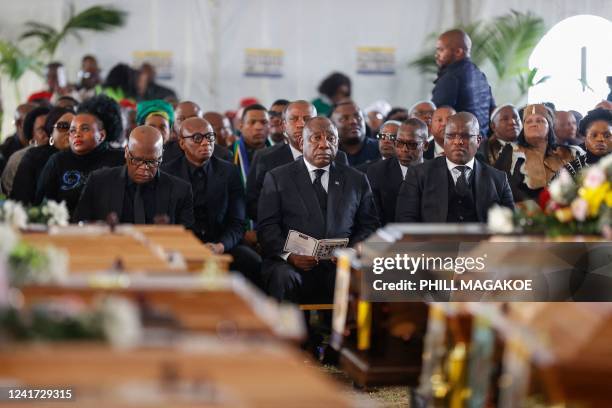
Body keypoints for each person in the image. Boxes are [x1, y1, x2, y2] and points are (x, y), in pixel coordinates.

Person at [257, 117, 379, 303]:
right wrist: (290, 256)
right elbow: (267, 228)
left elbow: (369, 226)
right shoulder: (278, 177)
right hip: (291, 264)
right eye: (316, 138)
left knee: (360, 277)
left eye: (331, 138)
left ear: (338, 143)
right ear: (301, 142)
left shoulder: (356, 180)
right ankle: (292, 332)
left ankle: (344, 332)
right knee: (283, 278)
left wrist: (352, 252)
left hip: (339, 263)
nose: (324, 145)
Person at [162, 117, 262, 285]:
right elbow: (166, 221)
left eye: (210, 137)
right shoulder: (167, 174)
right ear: (182, 144)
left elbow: (237, 222)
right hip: (182, 246)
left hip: (220, 243)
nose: (205, 142)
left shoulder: (229, 172)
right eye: (197, 138)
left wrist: (220, 246)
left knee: (253, 262)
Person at [396, 112, 514, 222]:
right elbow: (405, 220)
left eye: (465, 136)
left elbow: (511, 224)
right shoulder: (418, 175)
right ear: (444, 140)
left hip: (481, 243)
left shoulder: (498, 179)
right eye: (451, 136)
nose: (458, 142)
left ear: (478, 141)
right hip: (433, 243)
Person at [246, 100, 349, 221]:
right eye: (294, 119)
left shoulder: (338, 156)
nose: (301, 124)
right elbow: (253, 204)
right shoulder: (266, 158)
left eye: (307, 119)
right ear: (283, 125)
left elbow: (346, 202)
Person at [74, 126, 193, 227]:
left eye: (152, 162)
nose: (144, 167)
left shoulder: (180, 191)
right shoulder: (99, 182)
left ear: (161, 156)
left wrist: (167, 233)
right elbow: (79, 224)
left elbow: (187, 239)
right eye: (137, 160)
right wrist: (101, 227)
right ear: (126, 152)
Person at [36, 95, 125, 213]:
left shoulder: (119, 159)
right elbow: (41, 205)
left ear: (102, 135)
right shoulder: (58, 161)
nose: (77, 134)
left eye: (85, 129)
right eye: (72, 130)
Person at [495, 104, 583, 202]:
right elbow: (501, 189)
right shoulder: (511, 152)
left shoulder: (568, 153)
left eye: (540, 121)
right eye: (528, 121)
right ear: (523, 129)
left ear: (549, 126)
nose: (533, 124)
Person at [432, 29, 495, 136]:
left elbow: (438, 117)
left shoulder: (451, 77)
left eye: (441, 50)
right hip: (482, 144)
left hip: (460, 143)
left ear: (458, 52)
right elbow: (492, 109)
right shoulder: (480, 75)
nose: (437, 55)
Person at [368, 118, 428, 225]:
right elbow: (374, 217)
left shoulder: (435, 172)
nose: (404, 149)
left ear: (425, 146)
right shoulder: (378, 171)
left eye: (412, 144)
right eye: (399, 143)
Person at [11, 107, 74, 205]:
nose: (70, 132)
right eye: (63, 126)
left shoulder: (85, 156)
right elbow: (20, 201)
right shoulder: (33, 158)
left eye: (75, 127)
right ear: (50, 133)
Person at [1, 106, 50, 195]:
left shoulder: (62, 155)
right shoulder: (15, 158)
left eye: (50, 127)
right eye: (41, 129)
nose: (48, 133)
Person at [231, 103, 271, 187]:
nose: (258, 127)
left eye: (264, 122)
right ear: (241, 126)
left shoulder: (279, 153)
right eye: (252, 122)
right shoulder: (228, 154)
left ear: (269, 126)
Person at [563, 108, 612, 175]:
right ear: (585, 138)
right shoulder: (572, 168)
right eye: (594, 135)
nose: (600, 139)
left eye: (607, 136)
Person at [331, 100, 380, 167]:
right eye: (344, 119)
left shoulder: (380, 149)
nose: (353, 121)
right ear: (333, 125)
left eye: (358, 117)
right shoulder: (329, 154)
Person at [0, 104, 35, 169]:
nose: (36, 124)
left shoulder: (43, 142)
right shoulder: (5, 151)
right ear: (18, 123)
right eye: (32, 120)